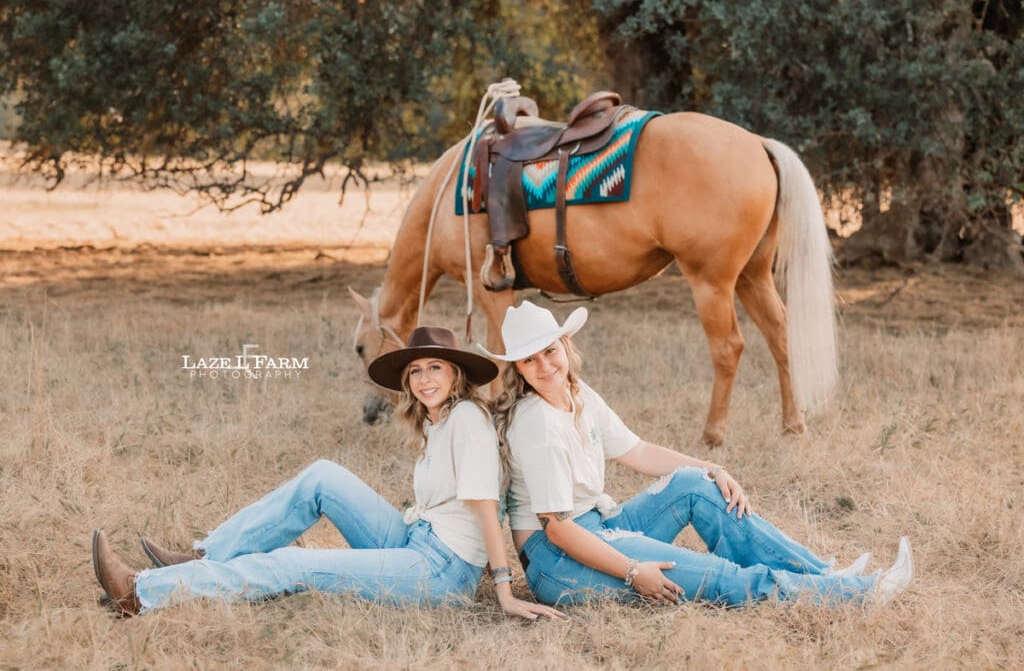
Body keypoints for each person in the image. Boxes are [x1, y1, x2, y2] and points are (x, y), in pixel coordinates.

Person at [92, 326, 564, 621]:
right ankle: (202, 556)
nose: (424, 379)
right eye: (416, 370)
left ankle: (141, 593)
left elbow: (486, 508)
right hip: (415, 539)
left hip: (440, 571)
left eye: (435, 367)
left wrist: (502, 590)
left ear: (456, 374)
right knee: (322, 476)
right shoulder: (439, 421)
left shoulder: (466, 421)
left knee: (292, 565)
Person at [482, 301, 913, 608]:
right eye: (529, 360)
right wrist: (634, 571)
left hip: (599, 526)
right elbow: (558, 530)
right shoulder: (536, 423)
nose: (544, 366)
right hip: (557, 560)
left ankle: (824, 574)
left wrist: (711, 467)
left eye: (550, 351)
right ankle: (861, 595)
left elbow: (639, 451)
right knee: (718, 576)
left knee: (696, 485)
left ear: (565, 343)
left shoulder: (578, 394)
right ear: (517, 368)